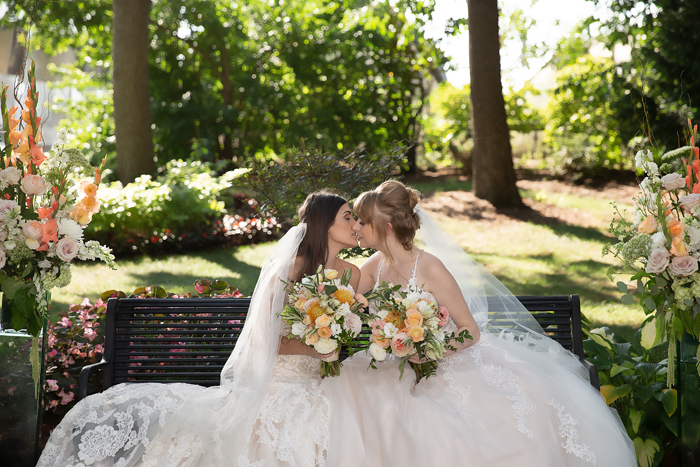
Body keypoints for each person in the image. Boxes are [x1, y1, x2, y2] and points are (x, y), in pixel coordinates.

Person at [37, 190, 361, 467]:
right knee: (293, 416)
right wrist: (313, 346)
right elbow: (266, 338)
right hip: (279, 378)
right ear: (325, 223)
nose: (355, 224)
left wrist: (332, 341)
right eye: (348, 216)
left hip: (319, 379)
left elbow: (344, 328)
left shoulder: (352, 274)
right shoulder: (291, 269)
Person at [325, 180, 636, 466]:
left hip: (446, 361)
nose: (357, 227)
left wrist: (432, 351)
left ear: (387, 227)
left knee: (439, 424)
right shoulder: (376, 265)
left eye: (363, 221)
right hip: (398, 362)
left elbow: (469, 330)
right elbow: (344, 292)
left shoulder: (431, 268)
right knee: (352, 389)